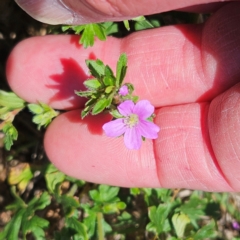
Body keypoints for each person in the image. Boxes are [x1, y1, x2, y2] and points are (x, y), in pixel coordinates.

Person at [6, 0, 240, 191]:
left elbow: (133, 114)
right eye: (128, 118)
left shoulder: (135, 113)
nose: (129, 119)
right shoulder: (130, 109)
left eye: (129, 119)